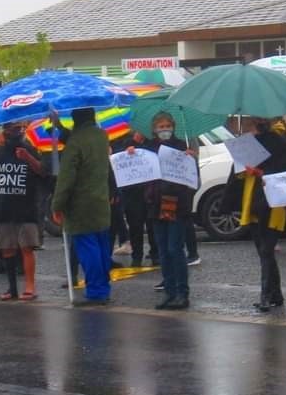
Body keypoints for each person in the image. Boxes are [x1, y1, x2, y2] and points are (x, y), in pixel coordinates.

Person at [221, 117, 286, 312]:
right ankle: (275, 294)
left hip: (272, 202)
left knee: (267, 249)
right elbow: (236, 174)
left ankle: (265, 296)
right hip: (251, 201)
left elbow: (285, 170)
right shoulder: (245, 143)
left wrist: (261, 172)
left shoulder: (279, 142)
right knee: (262, 250)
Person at [53, 108, 113, 305]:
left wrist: (57, 205)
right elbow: (79, 140)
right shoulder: (101, 136)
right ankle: (103, 288)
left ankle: (95, 292)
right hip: (101, 201)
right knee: (102, 247)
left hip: (80, 205)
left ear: (75, 118)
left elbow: (66, 178)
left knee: (88, 250)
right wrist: (59, 127)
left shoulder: (75, 142)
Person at [141, 112, 196, 310]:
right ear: (154, 129)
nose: (164, 130)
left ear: (173, 127)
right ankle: (169, 291)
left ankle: (182, 293)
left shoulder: (181, 146)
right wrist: (131, 150)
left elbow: (191, 176)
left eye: (167, 126)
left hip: (175, 203)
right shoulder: (149, 148)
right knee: (163, 250)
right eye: (161, 127)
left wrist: (190, 158)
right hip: (156, 203)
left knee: (175, 248)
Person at [0, 122, 44, 301]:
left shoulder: (29, 149)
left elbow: (43, 172)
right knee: (7, 249)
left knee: (27, 248)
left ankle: (30, 286)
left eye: (19, 129)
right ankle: (12, 288)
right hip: (4, 208)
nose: (16, 132)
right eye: (12, 129)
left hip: (26, 207)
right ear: (5, 131)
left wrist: (28, 158)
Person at [119, 132, 159, 268]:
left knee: (152, 226)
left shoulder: (152, 143)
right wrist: (127, 151)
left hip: (150, 192)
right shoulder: (126, 143)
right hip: (132, 194)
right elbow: (119, 160)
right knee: (135, 227)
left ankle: (155, 254)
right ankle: (137, 256)